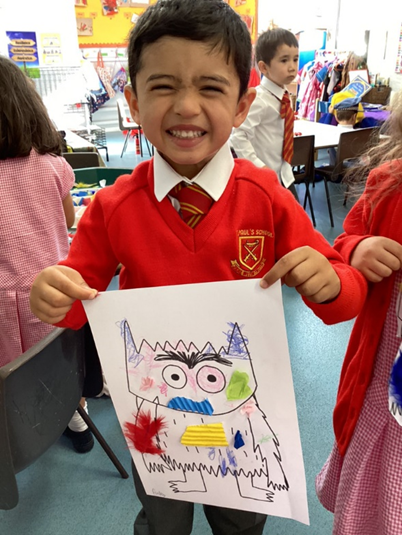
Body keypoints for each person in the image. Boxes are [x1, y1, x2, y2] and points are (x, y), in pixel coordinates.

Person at [29, 1, 367, 533]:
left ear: (241, 104)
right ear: (134, 101)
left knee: (240, 521)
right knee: (162, 521)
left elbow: (345, 298)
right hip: (156, 420)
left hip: (238, 416)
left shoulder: (268, 199)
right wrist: (54, 295)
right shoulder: (113, 207)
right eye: (163, 86)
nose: (186, 106)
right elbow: (77, 305)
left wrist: (330, 283)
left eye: (210, 88)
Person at [316, 90, 402, 535]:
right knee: (380, 455)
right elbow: (344, 241)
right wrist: (359, 248)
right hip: (384, 363)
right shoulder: (388, 182)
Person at [0, 55, 93, 454]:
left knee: (11, 376)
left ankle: (17, 432)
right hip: (56, 295)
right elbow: (68, 217)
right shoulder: (52, 165)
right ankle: (76, 417)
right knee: (61, 368)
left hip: (5, 304)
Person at [230, 28, 299, 194]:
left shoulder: (284, 96)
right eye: (284, 60)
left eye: (295, 60)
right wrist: (260, 168)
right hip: (263, 180)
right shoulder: (258, 99)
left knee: (293, 217)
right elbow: (238, 136)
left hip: (284, 175)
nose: (292, 67)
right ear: (263, 67)